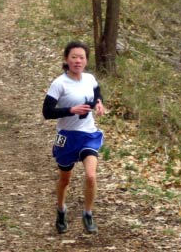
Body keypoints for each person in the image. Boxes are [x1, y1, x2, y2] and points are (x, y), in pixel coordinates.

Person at [42, 41, 106, 234]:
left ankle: (88, 213)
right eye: (74, 57)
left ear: (86, 61)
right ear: (66, 59)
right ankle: (61, 210)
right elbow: (47, 112)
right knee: (65, 180)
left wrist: (99, 103)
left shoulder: (90, 79)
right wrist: (71, 110)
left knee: (91, 176)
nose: (78, 61)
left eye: (82, 57)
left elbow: (96, 93)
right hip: (66, 137)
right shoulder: (59, 84)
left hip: (88, 134)